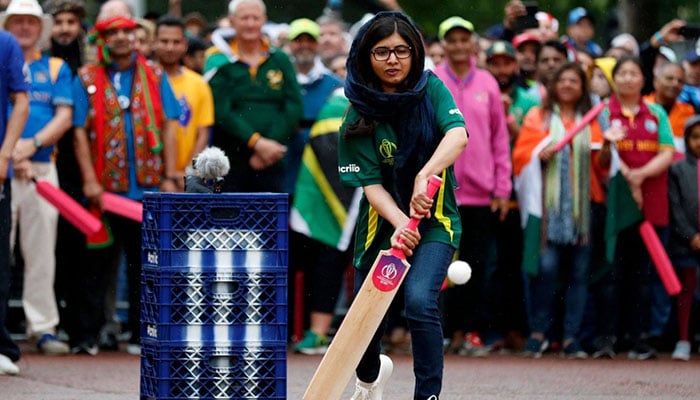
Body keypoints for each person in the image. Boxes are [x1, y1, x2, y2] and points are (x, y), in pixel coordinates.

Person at [337, 12, 467, 399]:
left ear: (415, 54)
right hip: (381, 226)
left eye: (401, 51)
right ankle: (370, 377)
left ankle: (427, 394)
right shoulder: (358, 108)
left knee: (419, 302)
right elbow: (370, 185)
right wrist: (399, 223)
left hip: (435, 222)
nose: (393, 60)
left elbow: (458, 136)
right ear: (366, 57)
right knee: (365, 324)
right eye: (381, 52)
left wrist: (423, 175)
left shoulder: (431, 90)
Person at [72, 15, 180, 355]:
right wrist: (89, 180)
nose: (120, 37)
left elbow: (169, 125)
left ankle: (139, 333)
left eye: (126, 32)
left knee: (144, 265)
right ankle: (88, 335)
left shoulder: (155, 75)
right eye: (112, 32)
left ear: (135, 37)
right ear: (101, 39)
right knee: (96, 266)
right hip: (103, 191)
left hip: (147, 189)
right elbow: (77, 131)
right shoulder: (87, 77)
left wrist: (171, 176)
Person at [513, 62, 608, 358]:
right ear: (553, 86)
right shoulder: (537, 116)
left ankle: (570, 337)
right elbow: (521, 155)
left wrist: (608, 148)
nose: (568, 85)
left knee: (579, 273)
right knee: (547, 268)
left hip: (583, 209)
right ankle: (539, 332)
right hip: (547, 208)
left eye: (574, 80)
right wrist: (537, 154)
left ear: (582, 87)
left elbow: (602, 165)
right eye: (562, 80)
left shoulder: (592, 120)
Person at [434, 16, 512, 356]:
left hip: (481, 194)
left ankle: (474, 333)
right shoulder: (431, 80)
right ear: (444, 44)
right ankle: (444, 331)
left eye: (465, 39)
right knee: (438, 264)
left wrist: (502, 188)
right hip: (439, 191)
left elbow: (499, 139)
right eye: (452, 39)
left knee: (477, 266)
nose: (459, 45)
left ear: (473, 44)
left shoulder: (488, 83)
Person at [4, 0, 73, 355]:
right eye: (18, 20)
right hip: (2, 165)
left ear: (40, 27)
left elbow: (64, 116)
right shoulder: (2, 58)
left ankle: (43, 327)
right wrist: (9, 153)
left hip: (40, 169)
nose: (25, 27)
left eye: (31, 21)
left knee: (42, 252)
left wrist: (27, 147)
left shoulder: (57, 66)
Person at [596, 56, 675, 360]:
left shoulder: (656, 113)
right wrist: (608, 148)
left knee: (642, 277)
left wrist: (640, 176)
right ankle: (607, 340)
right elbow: (602, 162)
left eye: (634, 73)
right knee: (610, 273)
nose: (628, 78)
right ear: (615, 79)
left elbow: (667, 153)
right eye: (622, 74)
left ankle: (639, 340)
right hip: (614, 207)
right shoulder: (603, 113)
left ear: (644, 79)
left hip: (649, 205)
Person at [204, 0, 302, 193]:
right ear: (232, 22)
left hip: (272, 157)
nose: (250, 24)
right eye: (244, 18)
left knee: (271, 219)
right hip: (230, 159)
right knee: (230, 219)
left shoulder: (279, 58)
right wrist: (256, 142)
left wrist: (268, 147)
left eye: (255, 18)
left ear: (264, 21)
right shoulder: (218, 60)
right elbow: (221, 111)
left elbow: (293, 105)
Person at [0, 29, 30, 376]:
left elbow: (21, 101)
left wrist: (5, 154)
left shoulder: (5, 43)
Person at [154, 16, 214, 189]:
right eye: (164, 41)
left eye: (176, 42)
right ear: (154, 42)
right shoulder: (144, 80)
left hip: (185, 177)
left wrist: (189, 171)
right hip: (151, 175)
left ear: (185, 44)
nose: (170, 47)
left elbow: (202, 133)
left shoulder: (198, 83)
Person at [667, 115, 700, 361]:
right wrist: (692, 235)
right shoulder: (678, 168)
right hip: (686, 243)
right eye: (695, 137)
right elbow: (675, 207)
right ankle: (683, 339)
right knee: (686, 291)